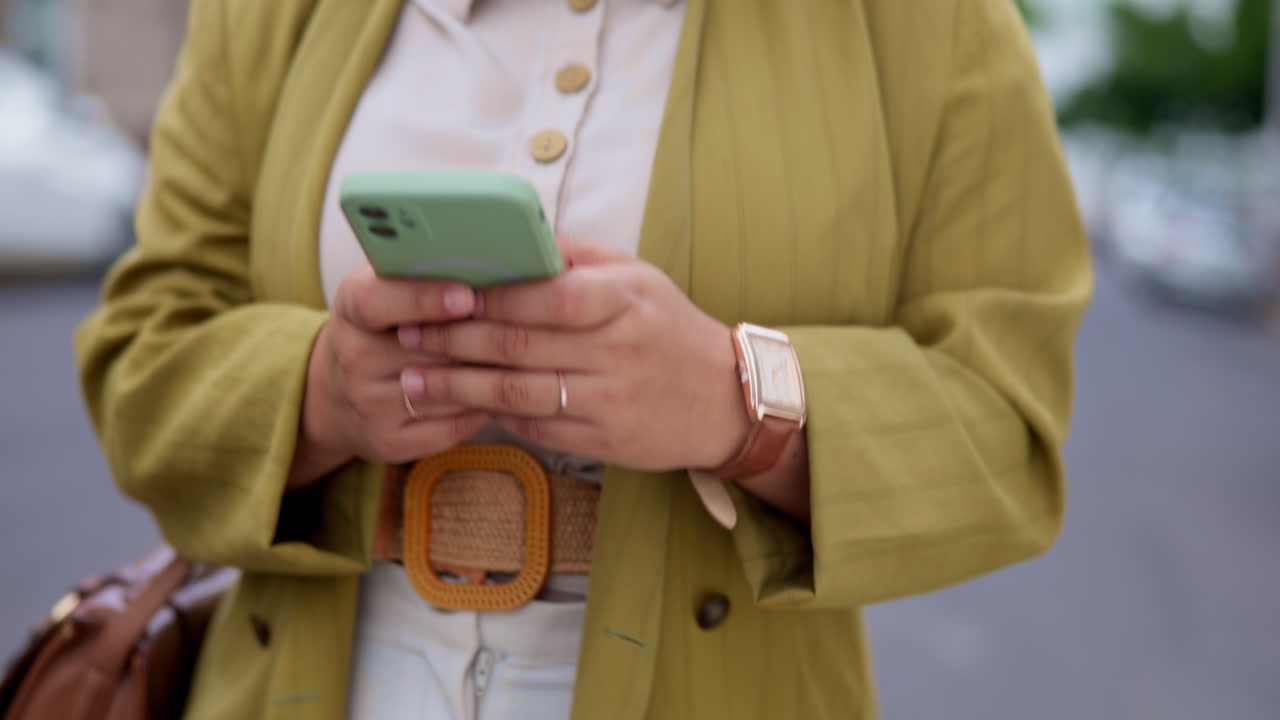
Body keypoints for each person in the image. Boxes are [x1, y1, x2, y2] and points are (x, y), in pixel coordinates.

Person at [74, 0, 1092, 719]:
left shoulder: (930, 20)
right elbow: (143, 354)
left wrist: (738, 400)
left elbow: (1005, 424)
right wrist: (318, 393)